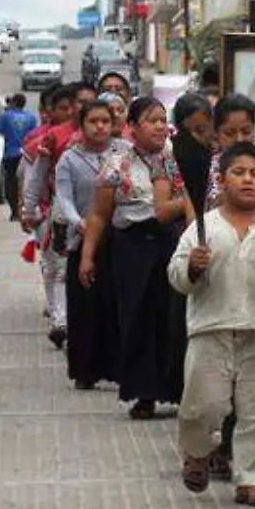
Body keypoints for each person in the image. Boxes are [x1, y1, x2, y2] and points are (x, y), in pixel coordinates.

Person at [168, 142, 255, 509]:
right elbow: (176, 275)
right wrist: (192, 267)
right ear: (221, 180)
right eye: (238, 172)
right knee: (202, 405)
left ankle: (254, 480)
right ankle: (197, 452)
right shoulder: (203, 229)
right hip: (210, 329)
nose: (247, 179)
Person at [80, 97, 190, 419]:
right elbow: (99, 214)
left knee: (172, 317)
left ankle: (177, 390)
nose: (159, 127)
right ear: (132, 126)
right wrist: (87, 256)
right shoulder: (117, 164)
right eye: (151, 120)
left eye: (162, 120)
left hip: (170, 243)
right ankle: (144, 393)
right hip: (132, 247)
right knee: (136, 317)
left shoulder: (174, 160)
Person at [56, 100, 131, 390]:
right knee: (86, 308)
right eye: (93, 121)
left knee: (117, 305)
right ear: (82, 124)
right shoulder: (69, 159)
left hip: (121, 237)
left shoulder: (125, 152)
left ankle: (121, 368)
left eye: (105, 121)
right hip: (84, 239)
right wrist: (79, 222)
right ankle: (85, 370)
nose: (100, 127)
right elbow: (64, 198)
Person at [23, 82, 98, 348]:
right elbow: (37, 175)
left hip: (102, 215)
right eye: (80, 102)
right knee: (60, 268)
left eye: (91, 101)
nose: (85, 107)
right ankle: (60, 321)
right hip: (62, 213)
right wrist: (29, 208)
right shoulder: (54, 137)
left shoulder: (112, 139)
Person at [0, 93, 38, 221]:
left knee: (10, 182)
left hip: (10, 154)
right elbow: (35, 135)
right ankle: (24, 208)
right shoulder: (31, 118)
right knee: (25, 182)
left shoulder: (5, 116)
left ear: (13, 102)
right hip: (26, 154)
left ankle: (14, 211)